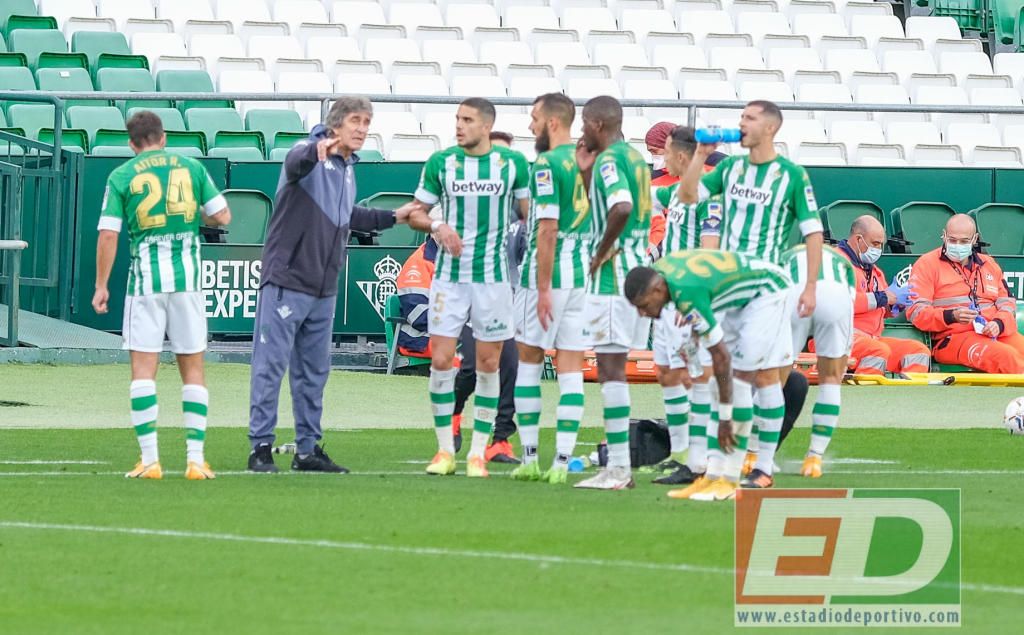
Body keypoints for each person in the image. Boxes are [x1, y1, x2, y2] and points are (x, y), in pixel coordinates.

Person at [247, 97, 406, 474]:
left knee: (315, 371)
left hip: (323, 286)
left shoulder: (347, 167)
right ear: (335, 124)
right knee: (270, 366)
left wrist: (396, 216)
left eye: (367, 122)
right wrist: (319, 149)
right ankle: (261, 447)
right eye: (356, 120)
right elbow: (295, 161)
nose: (363, 128)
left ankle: (307, 450)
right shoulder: (308, 151)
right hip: (287, 279)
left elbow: (349, 216)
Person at [680, 99, 824, 484]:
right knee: (725, 373)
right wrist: (699, 155)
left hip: (766, 286)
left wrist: (810, 285)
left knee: (750, 374)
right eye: (741, 116)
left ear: (770, 128)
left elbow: (814, 232)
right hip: (728, 283)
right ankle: (725, 466)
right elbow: (688, 196)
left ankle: (754, 466)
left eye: (749, 118)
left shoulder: (791, 176)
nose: (740, 123)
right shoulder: (729, 168)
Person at [92, 110, 232, 480]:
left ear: (131, 143)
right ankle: (195, 460)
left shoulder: (122, 175)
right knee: (194, 369)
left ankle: (151, 460)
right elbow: (223, 216)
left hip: (145, 284)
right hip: (186, 281)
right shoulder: (191, 167)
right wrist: (190, 216)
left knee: (143, 371)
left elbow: (108, 234)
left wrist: (101, 285)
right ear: (163, 136)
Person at [401, 97, 531, 478]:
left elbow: (529, 213)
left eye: (467, 119)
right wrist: (437, 227)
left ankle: (478, 452)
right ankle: (444, 451)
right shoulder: (442, 163)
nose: (459, 125)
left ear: (486, 126)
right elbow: (416, 213)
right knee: (441, 360)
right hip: (449, 277)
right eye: (457, 118)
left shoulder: (513, 165)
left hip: (493, 278)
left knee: (491, 363)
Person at [624, 250, 794, 502]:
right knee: (717, 383)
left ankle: (734, 478)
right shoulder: (665, 277)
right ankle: (713, 477)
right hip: (738, 299)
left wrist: (725, 417)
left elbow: (721, 357)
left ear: (658, 291)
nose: (642, 314)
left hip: (768, 292)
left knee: (741, 380)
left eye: (644, 306)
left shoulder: (684, 291)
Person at [509, 93, 592, 485]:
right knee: (571, 368)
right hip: (581, 276)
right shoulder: (587, 163)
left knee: (529, 361)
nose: (530, 126)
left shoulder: (544, 164)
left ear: (552, 123)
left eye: (534, 118)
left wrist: (542, 287)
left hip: (549, 275)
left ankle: (529, 458)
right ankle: (562, 462)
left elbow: (546, 227)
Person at [573, 95, 652, 491]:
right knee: (615, 367)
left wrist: (601, 252)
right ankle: (618, 463)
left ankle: (619, 467)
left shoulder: (609, 160)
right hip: (638, 267)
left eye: (584, 123)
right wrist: (585, 174)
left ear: (597, 125)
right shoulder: (636, 158)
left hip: (614, 274)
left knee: (610, 368)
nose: (581, 131)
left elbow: (620, 207)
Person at [648, 125, 723, 486]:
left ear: (680, 156)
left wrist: (694, 296)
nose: (661, 160)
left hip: (687, 301)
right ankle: (679, 453)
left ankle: (702, 459)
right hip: (667, 299)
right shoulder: (676, 193)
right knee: (667, 372)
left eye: (664, 153)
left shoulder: (707, 196)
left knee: (698, 379)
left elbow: (710, 252)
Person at [908, 214, 1024, 373]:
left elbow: (1008, 304)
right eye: (953, 240)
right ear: (944, 235)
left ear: (975, 239)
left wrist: (999, 323)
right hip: (952, 339)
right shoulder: (926, 264)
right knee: (1006, 358)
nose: (957, 245)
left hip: (994, 332)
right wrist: (951, 315)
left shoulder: (989, 264)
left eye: (964, 241)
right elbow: (916, 313)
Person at [781, 244, 855, 481]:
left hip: (793, 297)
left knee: (772, 379)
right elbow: (850, 299)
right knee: (831, 380)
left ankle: (752, 455)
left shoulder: (785, 256)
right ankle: (814, 458)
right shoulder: (843, 263)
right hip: (836, 297)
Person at [837, 215, 929, 376]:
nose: (878, 249)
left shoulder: (874, 271)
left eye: (881, 245)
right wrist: (884, 298)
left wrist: (895, 305)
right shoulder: (836, 262)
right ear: (859, 240)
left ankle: (909, 399)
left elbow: (881, 307)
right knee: (877, 351)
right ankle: (864, 396)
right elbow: (840, 302)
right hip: (836, 337)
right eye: (875, 244)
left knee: (919, 352)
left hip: (871, 339)